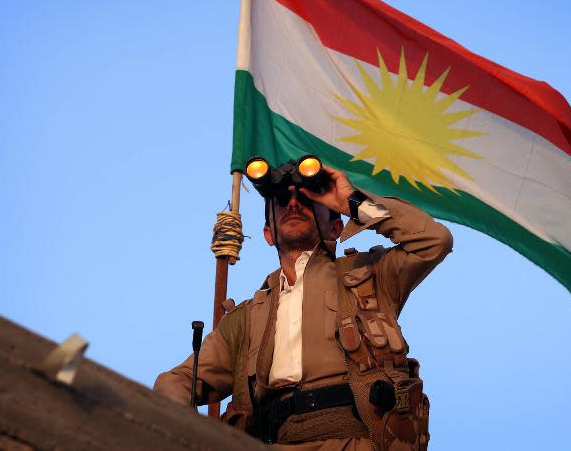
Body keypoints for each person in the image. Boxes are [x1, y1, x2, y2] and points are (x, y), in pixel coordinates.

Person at [154, 164, 453, 450]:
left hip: (356, 442)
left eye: (308, 198)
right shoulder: (245, 320)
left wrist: (352, 202)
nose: (294, 204)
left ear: (336, 225)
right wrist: (188, 431)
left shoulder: (372, 277)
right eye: (282, 199)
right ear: (268, 234)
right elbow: (176, 381)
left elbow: (433, 242)